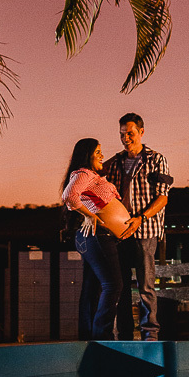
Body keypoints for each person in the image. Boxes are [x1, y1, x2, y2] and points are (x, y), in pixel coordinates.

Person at [104, 113, 173, 342]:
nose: (126, 139)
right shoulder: (115, 162)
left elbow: (162, 198)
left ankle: (150, 334)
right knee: (121, 287)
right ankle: (125, 335)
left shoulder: (156, 159)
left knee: (146, 285)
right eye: (122, 134)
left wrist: (140, 218)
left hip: (145, 230)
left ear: (141, 132)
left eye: (130, 134)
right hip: (120, 231)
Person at [61, 137, 124, 339]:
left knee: (92, 287)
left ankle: (89, 335)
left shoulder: (91, 176)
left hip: (94, 237)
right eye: (97, 152)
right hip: (97, 236)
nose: (102, 155)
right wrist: (90, 215)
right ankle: (102, 335)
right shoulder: (84, 173)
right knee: (113, 285)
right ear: (87, 155)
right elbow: (70, 195)